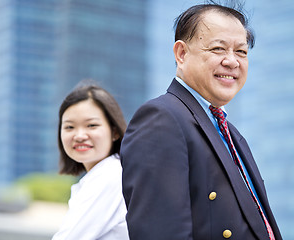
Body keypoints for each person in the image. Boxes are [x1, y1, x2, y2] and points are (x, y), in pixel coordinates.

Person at [121, 3, 282, 240]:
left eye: (241, 52)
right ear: (181, 54)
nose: (232, 61)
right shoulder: (161, 119)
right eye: (218, 49)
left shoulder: (231, 134)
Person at [52, 82, 129, 240]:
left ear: (114, 132)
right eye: (69, 127)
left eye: (91, 125)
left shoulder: (110, 176)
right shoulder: (110, 173)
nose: (79, 135)